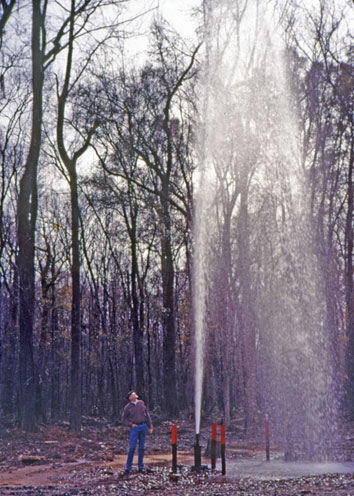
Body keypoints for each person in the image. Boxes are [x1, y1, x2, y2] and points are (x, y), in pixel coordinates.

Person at [121, 391, 153, 475]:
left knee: (142, 447)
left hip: (143, 426)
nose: (135, 394)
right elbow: (123, 419)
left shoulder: (141, 403)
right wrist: (130, 424)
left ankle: (140, 467)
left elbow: (147, 415)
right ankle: (128, 467)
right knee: (132, 448)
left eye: (135, 393)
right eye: (133, 394)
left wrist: (150, 426)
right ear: (130, 398)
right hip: (135, 428)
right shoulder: (128, 407)